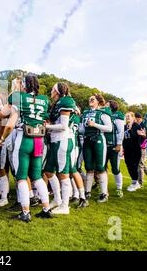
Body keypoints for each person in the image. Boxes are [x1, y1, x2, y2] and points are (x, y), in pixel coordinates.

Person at [0, 74, 53, 222]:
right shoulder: (44, 100)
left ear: (24, 84)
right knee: (37, 176)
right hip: (39, 140)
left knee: (21, 177)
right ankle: (46, 208)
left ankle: (25, 212)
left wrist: (2, 139)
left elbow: (9, 123)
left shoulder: (19, 97)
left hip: (25, 139)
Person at [45, 83, 88, 214]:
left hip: (63, 140)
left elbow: (63, 126)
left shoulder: (66, 101)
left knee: (64, 174)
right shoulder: (57, 103)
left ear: (58, 91)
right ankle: (58, 199)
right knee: (48, 171)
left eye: (53, 89)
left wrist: (47, 127)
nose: (51, 91)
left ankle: (65, 206)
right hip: (55, 140)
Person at [80, 94, 113, 203]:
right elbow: (82, 129)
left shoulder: (102, 113)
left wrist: (94, 125)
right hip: (87, 140)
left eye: (92, 99)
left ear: (98, 101)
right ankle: (87, 191)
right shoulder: (85, 113)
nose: (90, 100)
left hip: (98, 140)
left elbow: (109, 128)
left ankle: (104, 193)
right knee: (88, 167)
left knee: (100, 167)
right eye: (89, 99)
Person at [104, 101, 125, 197]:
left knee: (115, 168)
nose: (105, 106)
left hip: (113, 146)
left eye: (107, 105)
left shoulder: (118, 115)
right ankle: (104, 188)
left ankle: (119, 188)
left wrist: (119, 144)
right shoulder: (104, 114)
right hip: (103, 145)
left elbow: (120, 131)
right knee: (102, 168)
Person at [123, 112, 143, 192]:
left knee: (134, 165)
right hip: (127, 149)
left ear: (133, 117)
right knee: (128, 165)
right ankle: (134, 181)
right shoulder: (125, 126)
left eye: (128, 116)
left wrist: (131, 129)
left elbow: (137, 138)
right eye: (126, 116)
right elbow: (124, 138)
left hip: (135, 149)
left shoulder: (137, 126)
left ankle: (136, 182)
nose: (127, 117)